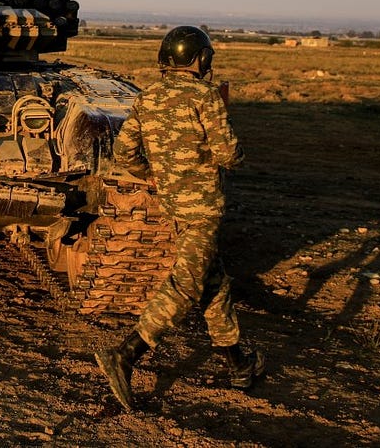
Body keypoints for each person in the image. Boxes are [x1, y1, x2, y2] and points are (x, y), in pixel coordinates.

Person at [95, 25, 265, 409]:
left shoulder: (148, 97)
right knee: (188, 285)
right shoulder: (205, 96)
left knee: (213, 283)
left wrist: (152, 175)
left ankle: (238, 363)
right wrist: (235, 152)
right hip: (202, 208)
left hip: (174, 205)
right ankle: (126, 354)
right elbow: (228, 154)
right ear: (199, 59)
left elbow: (125, 153)